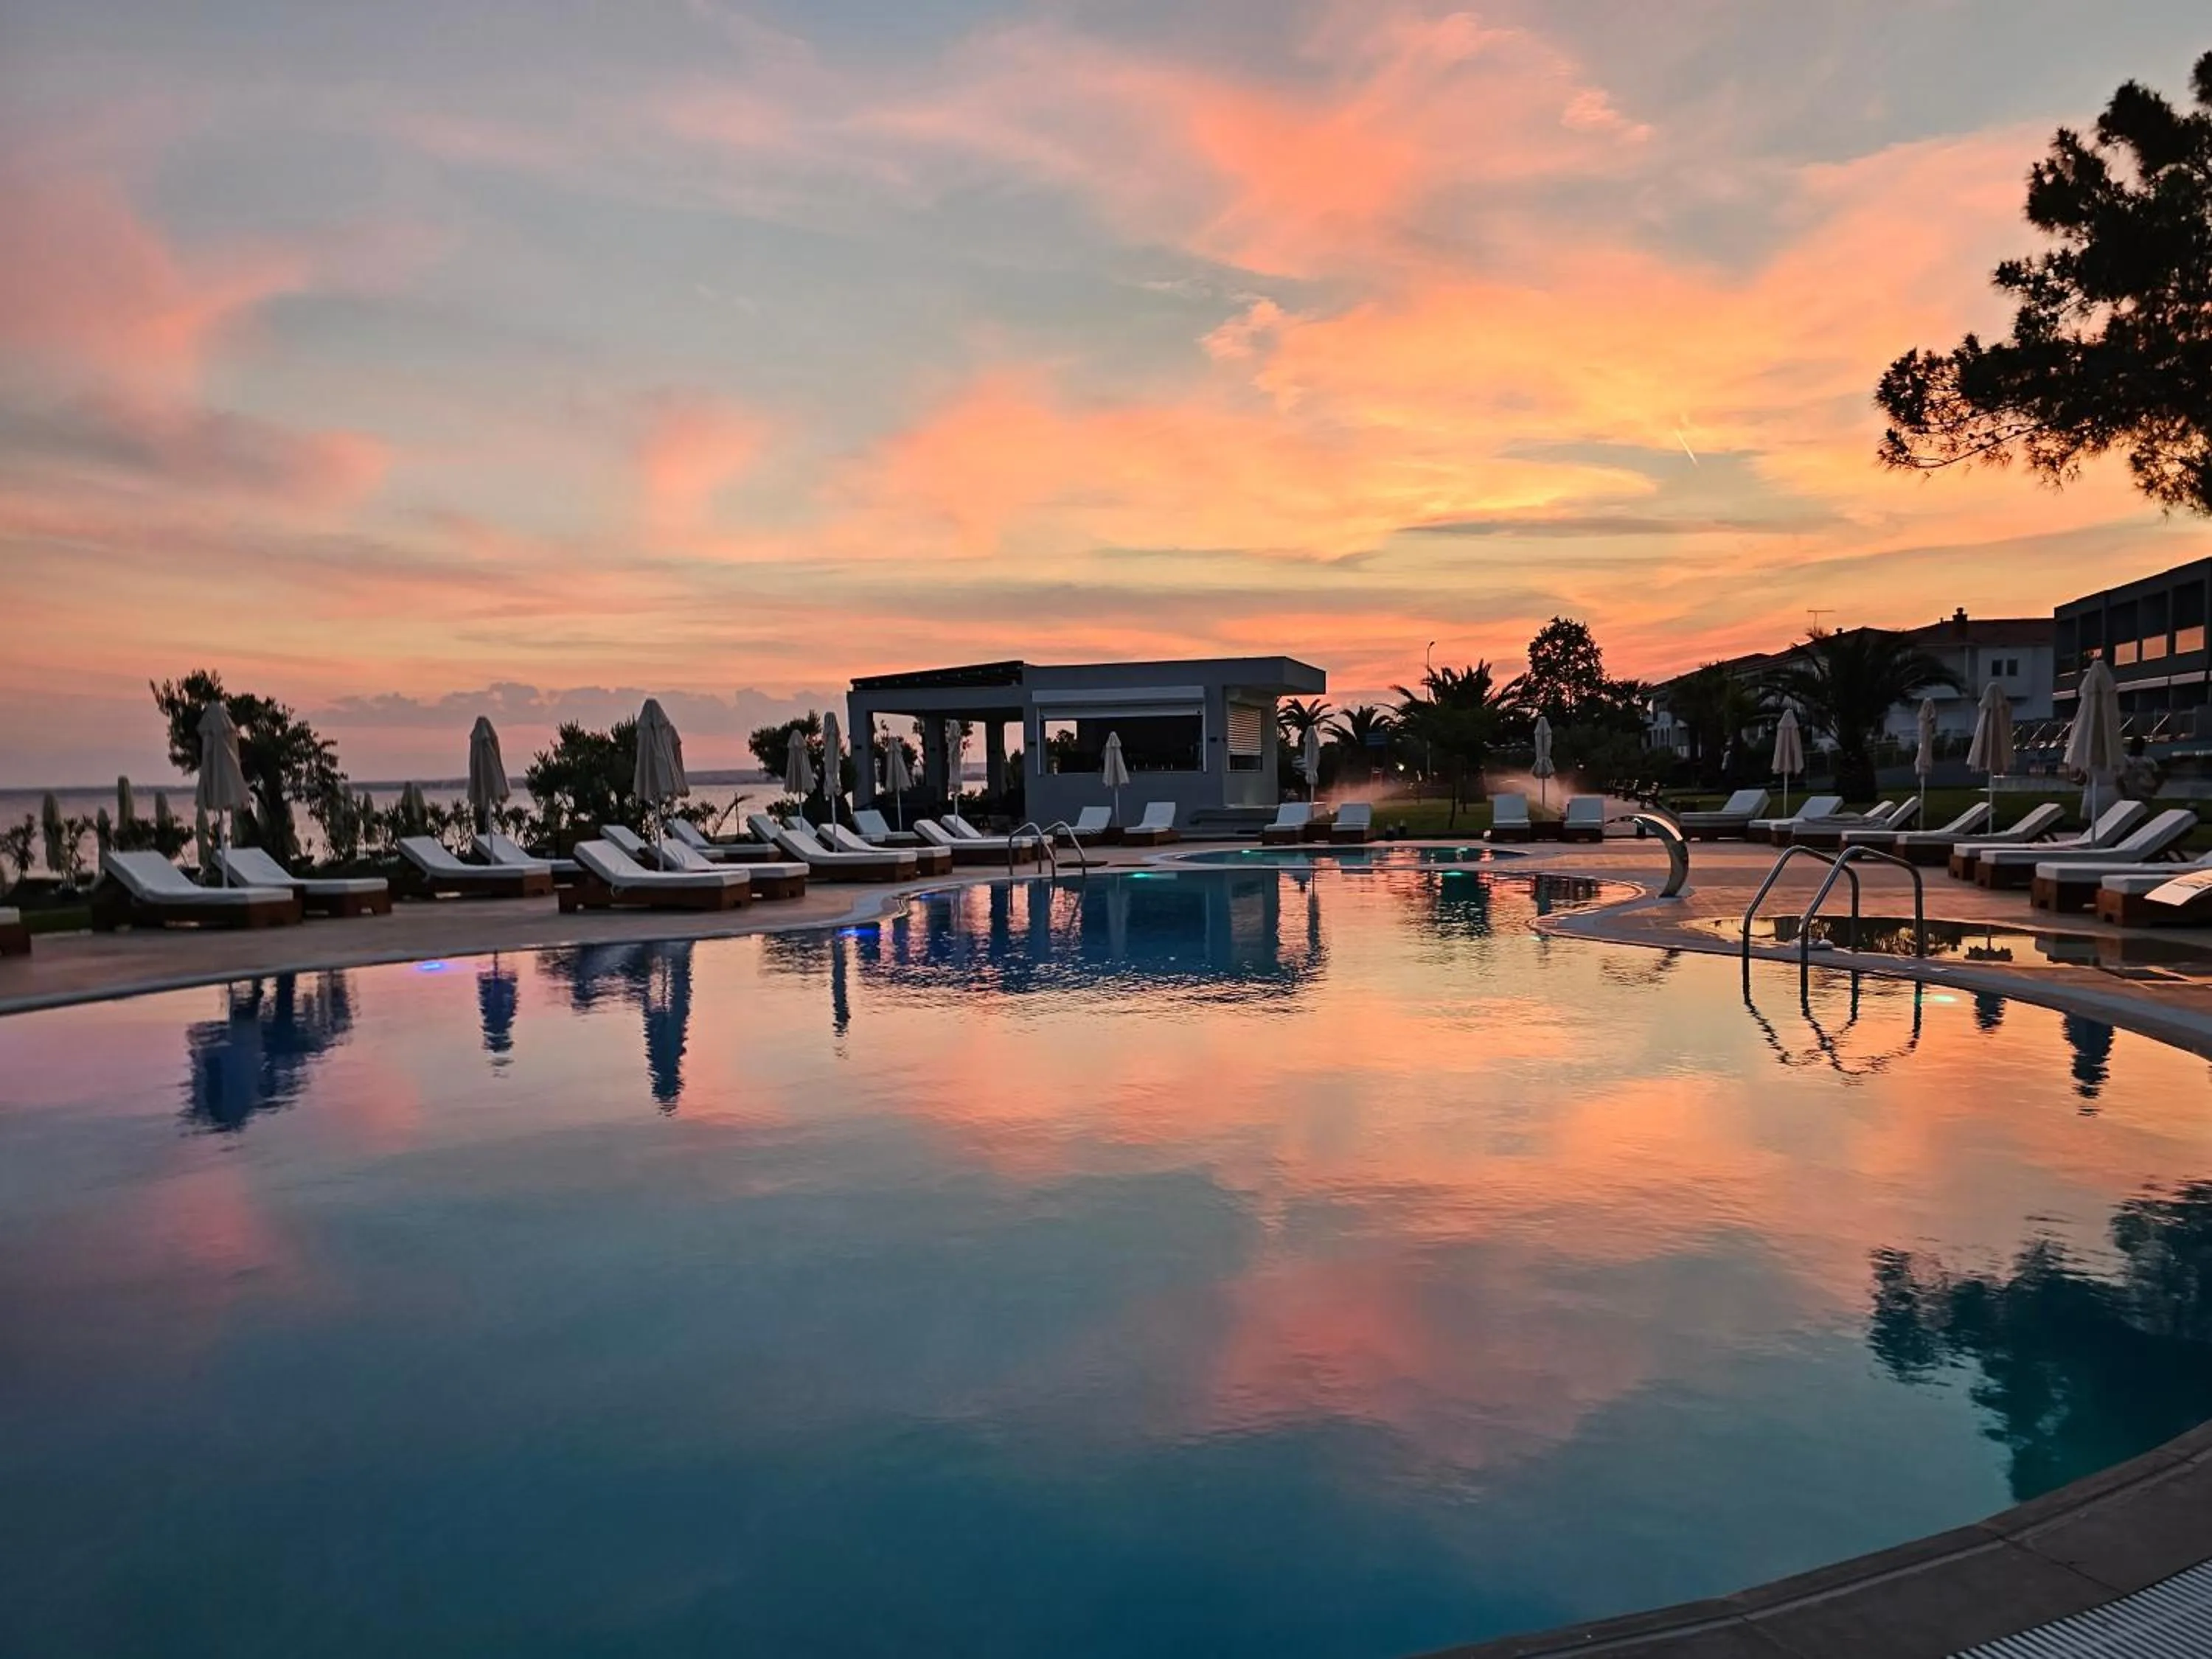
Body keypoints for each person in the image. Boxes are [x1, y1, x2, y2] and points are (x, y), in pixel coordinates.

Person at [2119, 736, 2162, 801]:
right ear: (2144, 747)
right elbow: (2159, 777)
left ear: (2131, 746)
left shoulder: (2125, 760)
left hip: (2131, 793)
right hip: (2145, 793)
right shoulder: (2150, 761)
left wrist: (2123, 793)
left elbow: (2119, 778)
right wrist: (2154, 790)